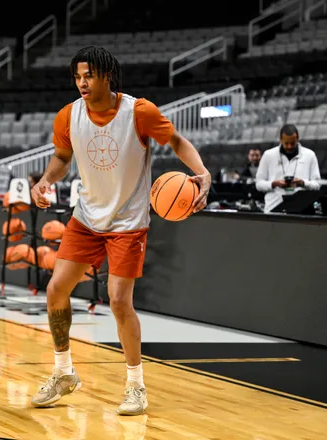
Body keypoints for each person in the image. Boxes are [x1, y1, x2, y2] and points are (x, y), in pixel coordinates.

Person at [29, 46, 211, 415]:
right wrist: (45, 182)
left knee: (117, 300)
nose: (82, 82)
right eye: (77, 76)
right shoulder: (68, 116)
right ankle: (63, 372)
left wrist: (203, 172)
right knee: (55, 290)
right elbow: (62, 158)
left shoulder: (138, 112)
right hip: (86, 217)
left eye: (89, 76)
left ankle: (135, 385)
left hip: (128, 222)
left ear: (106, 76)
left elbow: (175, 140)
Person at [255, 124, 322, 213]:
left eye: (292, 143)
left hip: (301, 209)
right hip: (273, 209)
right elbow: (258, 184)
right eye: (286, 143)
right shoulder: (268, 155)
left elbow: (317, 185)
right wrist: (274, 184)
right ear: (280, 139)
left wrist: (303, 183)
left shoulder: (310, 155)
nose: (289, 146)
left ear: (297, 139)